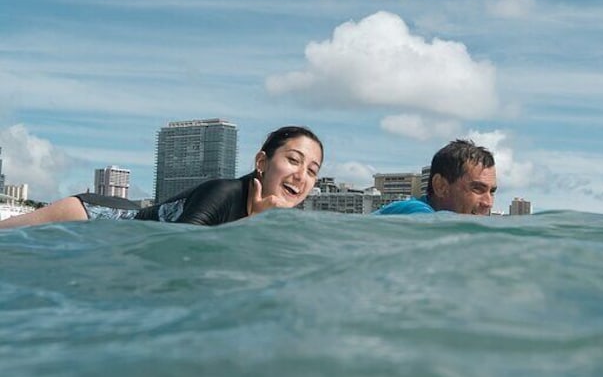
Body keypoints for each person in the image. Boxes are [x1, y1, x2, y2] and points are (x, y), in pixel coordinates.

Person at [0, 126, 323, 228]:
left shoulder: (278, 220)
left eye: (312, 170)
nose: (301, 175)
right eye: (293, 160)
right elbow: (174, 251)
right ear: (262, 162)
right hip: (95, 215)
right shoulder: (222, 193)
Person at [375, 139, 497, 215]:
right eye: (477, 188)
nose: (488, 203)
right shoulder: (415, 210)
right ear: (441, 186)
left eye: (491, 191)